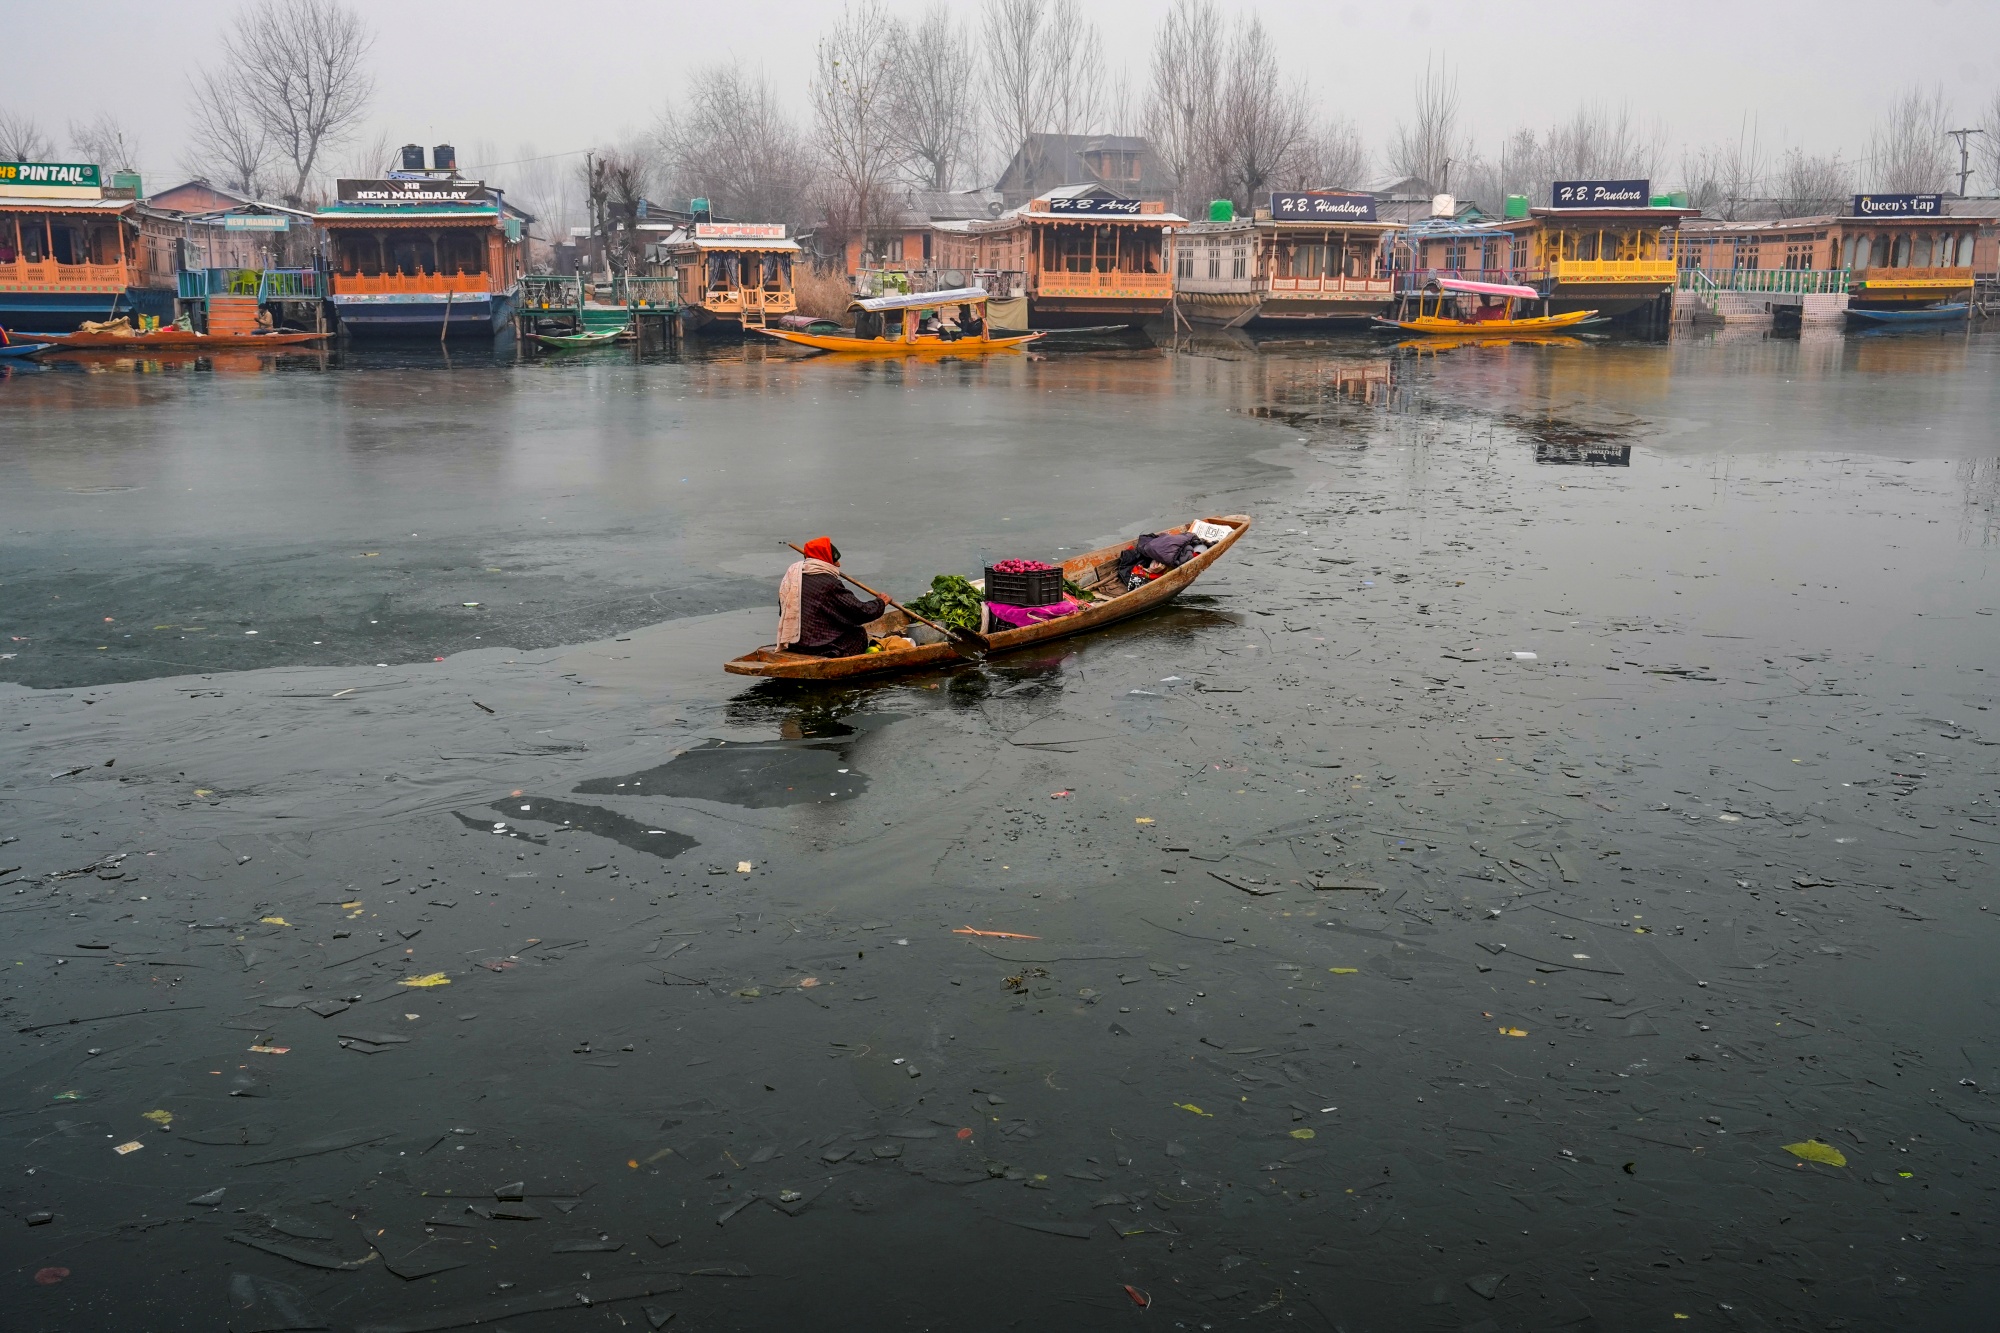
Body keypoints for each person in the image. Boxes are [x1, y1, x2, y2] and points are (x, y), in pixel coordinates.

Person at [777, 536, 884, 658]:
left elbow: (783, 610)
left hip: (794, 643)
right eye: (834, 560)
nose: (838, 564)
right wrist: (880, 602)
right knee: (857, 633)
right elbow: (860, 612)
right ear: (825, 559)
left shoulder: (793, 578)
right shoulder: (829, 583)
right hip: (819, 648)